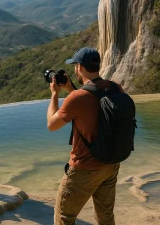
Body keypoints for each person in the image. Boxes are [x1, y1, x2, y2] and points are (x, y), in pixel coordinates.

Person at [47, 47, 121, 225]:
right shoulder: (116, 88)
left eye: (75, 66)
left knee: (64, 217)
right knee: (106, 217)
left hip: (84, 168)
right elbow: (94, 105)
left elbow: (52, 124)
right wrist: (72, 89)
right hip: (111, 164)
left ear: (79, 67)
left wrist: (55, 95)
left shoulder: (78, 98)